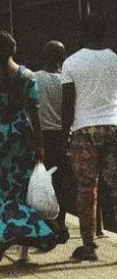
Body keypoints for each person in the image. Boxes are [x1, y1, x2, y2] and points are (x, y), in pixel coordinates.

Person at [0, 31, 57, 266]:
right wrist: (40, 146)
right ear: (14, 48)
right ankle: (24, 250)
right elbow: (34, 114)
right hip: (20, 137)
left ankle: (3, 236)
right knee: (21, 191)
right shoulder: (27, 76)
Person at [62, 14, 117, 261]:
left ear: (81, 33)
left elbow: (67, 103)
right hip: (114, 125)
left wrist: (67, 133)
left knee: (87, 188)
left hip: (84, 129)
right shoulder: (114, 59)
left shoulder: (71, 62)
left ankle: (89, 245)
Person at [34, 40, 74, 244]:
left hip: (39, 136)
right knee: (61, 183)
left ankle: (45, 225)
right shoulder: (65, 82)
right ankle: (62, 223)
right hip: (61, 136)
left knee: (40, 183)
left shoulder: (33, 78)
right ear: (62, 58)